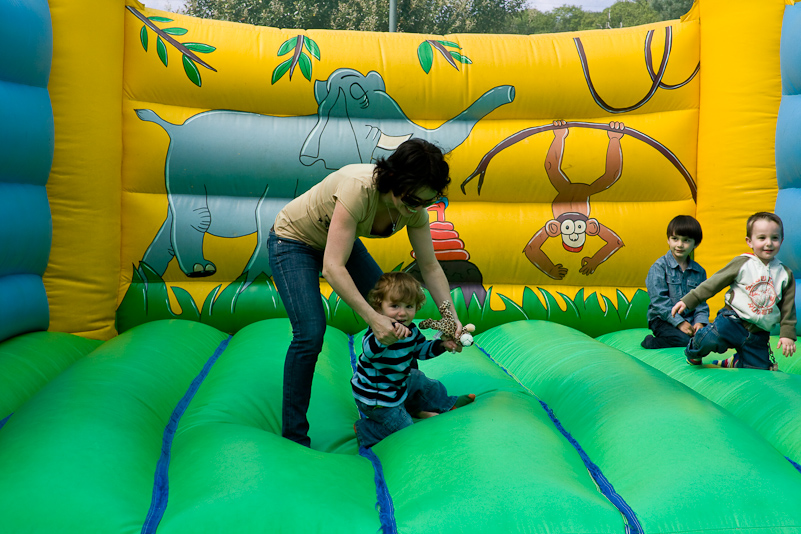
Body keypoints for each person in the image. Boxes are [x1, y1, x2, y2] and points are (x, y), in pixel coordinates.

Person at [268, 139, 465, 448]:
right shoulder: (358, 189)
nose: (417, 208)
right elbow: (333, 268)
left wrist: (450, 318)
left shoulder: (414, 209)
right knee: (310, 333)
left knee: (393, 308)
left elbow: (430, 266)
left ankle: (405, 400)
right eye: (412, 199)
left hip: (335, 239)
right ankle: (294, 435)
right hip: (294, 241)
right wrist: (372, 318)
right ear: (394, 180)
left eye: (426, 202)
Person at [352, 272, 475, 448]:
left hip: (398, 385)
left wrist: (442, 345)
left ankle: (446, 404)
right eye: (394, 306)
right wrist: (388, 338)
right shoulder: (379, 331)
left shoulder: (412, 330)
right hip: (377, 399)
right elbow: (369, 352)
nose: (402, 313)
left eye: (409, 306)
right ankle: (366, 430)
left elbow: (421, 351)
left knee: (419, 379)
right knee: (405, 428)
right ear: (379, 308)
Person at [671, 212, 797, 369]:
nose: (769, 243)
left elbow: (788, 308)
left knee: (759, 368)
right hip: (731, 321)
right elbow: (714, 283)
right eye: (762, 238)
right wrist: (688, 300)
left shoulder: (784, 274)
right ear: (749, 241)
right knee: (708, 340)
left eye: (774, 238)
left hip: (758, 334)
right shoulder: (743, 263)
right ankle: (694, 352)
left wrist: (787, 334)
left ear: (781, 240)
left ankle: (735, 361)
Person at [641, 215, 709, 349]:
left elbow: (701, 302)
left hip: (689, 319)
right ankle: (650, 342)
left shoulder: (699, 271)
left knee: (709, 338)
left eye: (686, 240)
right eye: (675, 239)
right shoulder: (659, 267)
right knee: (683, 340)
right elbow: (659, 302)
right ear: (668, 240)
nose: (680, 245)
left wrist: (699, 323)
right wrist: (679, 323)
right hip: (662, 319)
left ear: (695, 244)